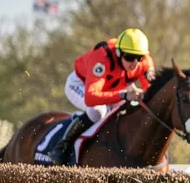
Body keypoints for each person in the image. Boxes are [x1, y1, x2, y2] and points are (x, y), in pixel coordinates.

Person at [48, 28, 155, 165]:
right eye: (129, 57)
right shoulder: (102, 58)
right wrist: (124, 95)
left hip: (114, 88)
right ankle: (62, 146)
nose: (134, 63)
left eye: (138, 58)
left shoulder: (145, 62)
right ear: (118, 53)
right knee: (98, 111)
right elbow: (91, 97)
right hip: (81, 85)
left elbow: (152, 95)